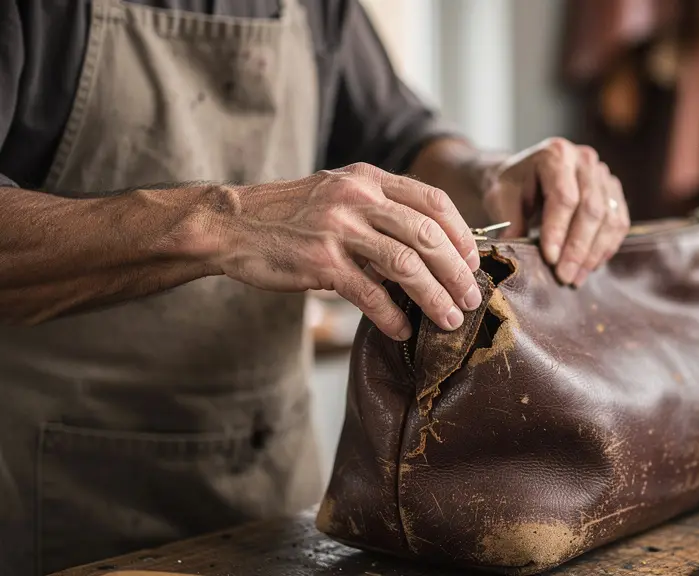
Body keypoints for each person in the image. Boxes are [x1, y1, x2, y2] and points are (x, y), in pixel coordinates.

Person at [0, 1, 630, 574]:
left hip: (269, 494)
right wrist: (220, 222)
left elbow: (402, 139)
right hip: (53, 504)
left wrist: (491, 174)